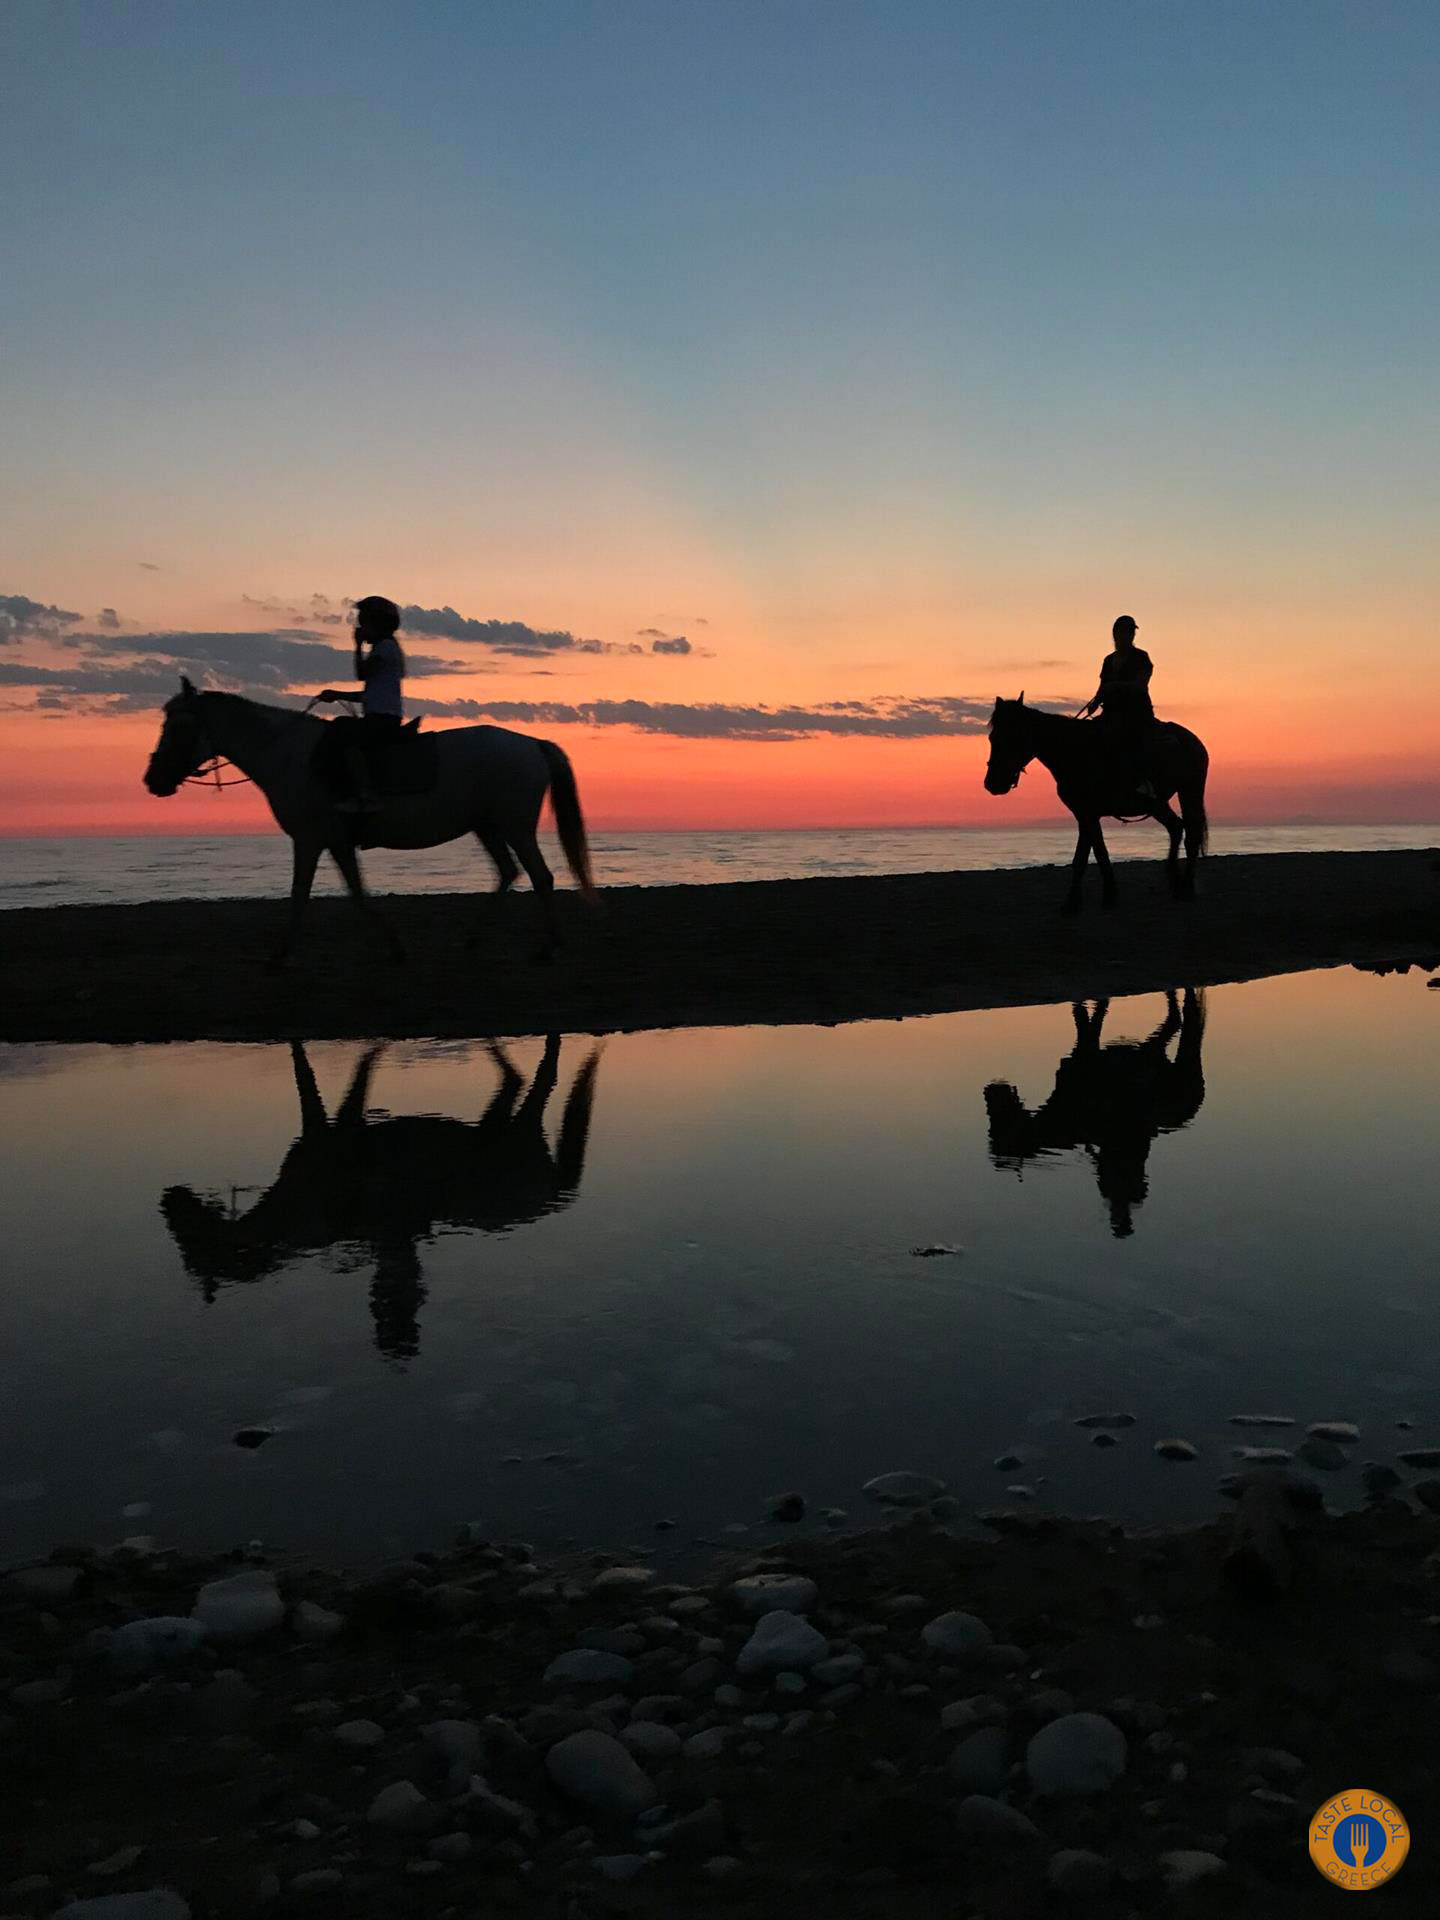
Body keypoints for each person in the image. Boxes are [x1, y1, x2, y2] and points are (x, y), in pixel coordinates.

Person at [318, 595, 406, 810]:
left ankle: (366, 795)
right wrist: (337, 694)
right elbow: (368, 693)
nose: (359, 626)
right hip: (382, 716)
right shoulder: (387, 648)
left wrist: (357, 646)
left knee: (345, 739)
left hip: (382, 719)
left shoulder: (384, 648)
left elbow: (362, 674)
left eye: (363, 621)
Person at [1080, 614, 1155, 798]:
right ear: (1115, 634)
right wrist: (1095, 702)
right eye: (1125, 631)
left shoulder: (1141, 657)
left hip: (1136, 713)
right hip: (1111, 712)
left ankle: (1144, 782)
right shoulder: (1108, 660)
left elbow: (1140, 686)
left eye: (1131, 632)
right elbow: (1102, 686)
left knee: (1130, 740)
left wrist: (1116, 686)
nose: (1129, 635)